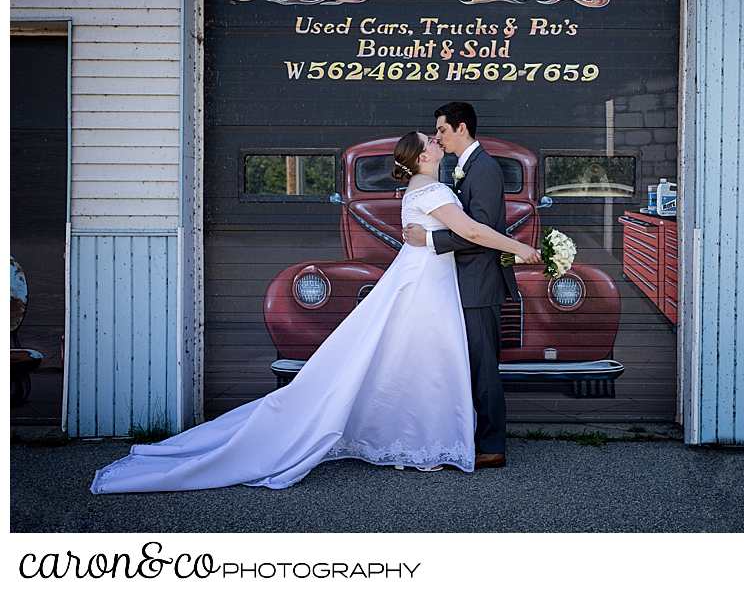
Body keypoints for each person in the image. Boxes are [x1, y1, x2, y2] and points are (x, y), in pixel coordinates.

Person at [90, 131, 539, 493]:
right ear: (422, 158)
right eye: (431, 141)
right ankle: (424, 443)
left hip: (424, 279)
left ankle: (421, 442)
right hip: (427, 283)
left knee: (414, 360)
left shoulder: (418, 188)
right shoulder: (435, 188)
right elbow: (471, 231)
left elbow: (452, 233)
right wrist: (519, 247)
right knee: (428, 360)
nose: (438, 142)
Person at [403, 102, 515, 470]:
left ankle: (492, 447)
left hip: (478, 284)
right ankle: (471, 437)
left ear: (461, 127)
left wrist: (431, 241)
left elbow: (478, 232)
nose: (438, 136)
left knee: (484, 368)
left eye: (442, 130)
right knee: (470, 366)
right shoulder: (463, 169)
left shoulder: (483, 169)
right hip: (460, 284)